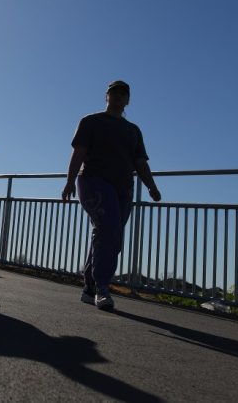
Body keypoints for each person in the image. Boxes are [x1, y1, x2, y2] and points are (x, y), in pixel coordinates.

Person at [61, 80, 161, 310]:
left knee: (110, 235)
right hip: (93, 181)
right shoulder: (91, 121)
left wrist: (151, 186)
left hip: (123, 188)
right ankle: (103, 287)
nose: (117, 96)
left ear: (128, 100)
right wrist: (69, 181)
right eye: (113, 92)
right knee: (108, 228)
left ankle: (89, 287)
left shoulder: (133, 130)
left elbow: (140, 162)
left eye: (122, 93)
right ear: (106, 96)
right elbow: (79, 152)